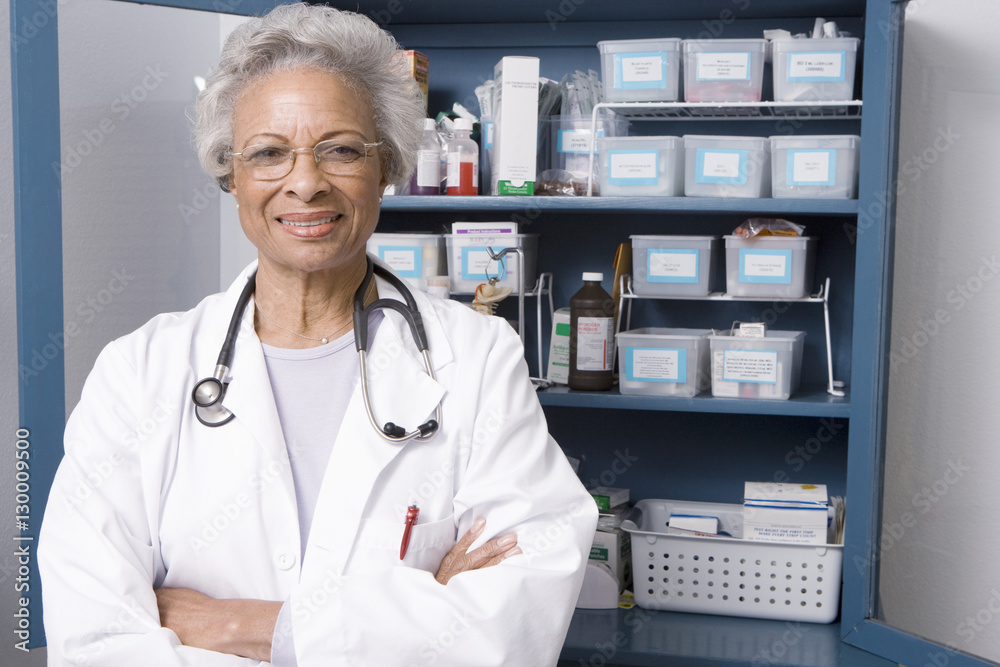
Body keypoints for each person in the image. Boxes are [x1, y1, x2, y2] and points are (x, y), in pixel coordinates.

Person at [38, 5, 597, 666]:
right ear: (231, 175)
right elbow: (96, 640)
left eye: (340, 149)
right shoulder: (139, 373)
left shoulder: (474, 361)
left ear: (386, 164)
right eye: (269, 153)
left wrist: (255, 626)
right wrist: (412, 611)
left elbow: (512, 623)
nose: (305, 183)